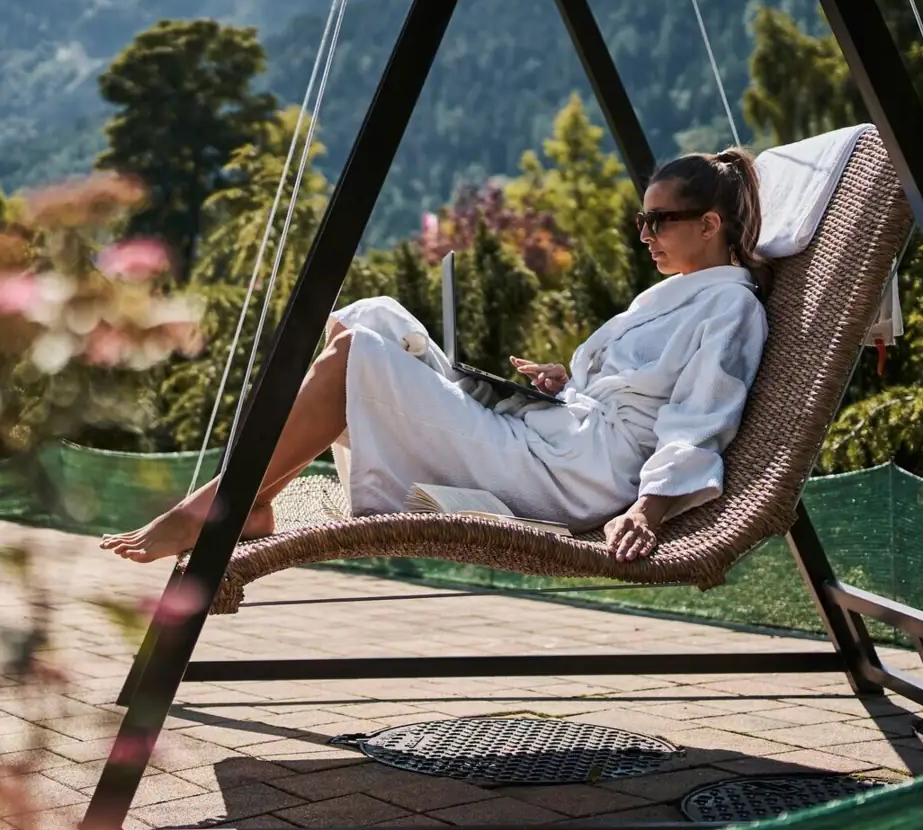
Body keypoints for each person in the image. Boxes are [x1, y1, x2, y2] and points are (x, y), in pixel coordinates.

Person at [101, 147, 772, 566]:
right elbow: (637, 385)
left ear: (709, 224)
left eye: (659, 221)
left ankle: (219, 506)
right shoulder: (672, 294)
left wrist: (647, 510)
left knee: (357, 355)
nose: (645, 234)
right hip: (558, 436)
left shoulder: (729, 307)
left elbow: (697, 420)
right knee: (371, 315)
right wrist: (565, 381)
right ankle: (254, 499)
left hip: (579, 476)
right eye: (641, 221)